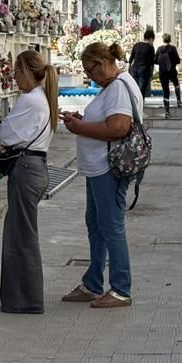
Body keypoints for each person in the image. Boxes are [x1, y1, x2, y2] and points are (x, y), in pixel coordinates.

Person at [59, 40, 139, 308]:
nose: (89, 76)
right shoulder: (112, 87)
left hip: (108, 167)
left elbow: (118, 127)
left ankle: (120, 288)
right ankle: (93, 283)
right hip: (98, 166)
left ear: (103, 63)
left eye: (90, 69)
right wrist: (81, 119)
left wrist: (80, 128)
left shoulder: (118, 87)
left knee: (111, 227)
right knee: (96, 225)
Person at [0, 49, 57, 314]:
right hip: (34, 167)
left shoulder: (31, 100)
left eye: (19, 71)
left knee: (21, 237)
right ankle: (21, 297)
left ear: (30, 73)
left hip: (26, 168)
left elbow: (5, 133)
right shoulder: (41, 98)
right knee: (20, 233)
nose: (15, 76)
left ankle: (26, 300)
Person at [155, 33, 182, 117]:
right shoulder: (173, 48)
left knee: (165, 91)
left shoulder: (159, 49)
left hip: (162, 72)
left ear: (163, 40)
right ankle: (179, 101)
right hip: (172, 71)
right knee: (176, 85)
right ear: (170, 40)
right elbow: (178, 60)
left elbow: (155, 60)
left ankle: (167, 111)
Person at [128, 27, 156, 100]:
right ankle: (140, 105)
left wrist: (129, 69)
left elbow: (131, 58)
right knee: (141, 90)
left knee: (134, 88)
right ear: (151, 39)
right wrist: (151, 73)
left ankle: (134, 104)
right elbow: (152, 62)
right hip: (144, 70)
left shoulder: (136, 45)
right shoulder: (151, 48)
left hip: (134, 69)